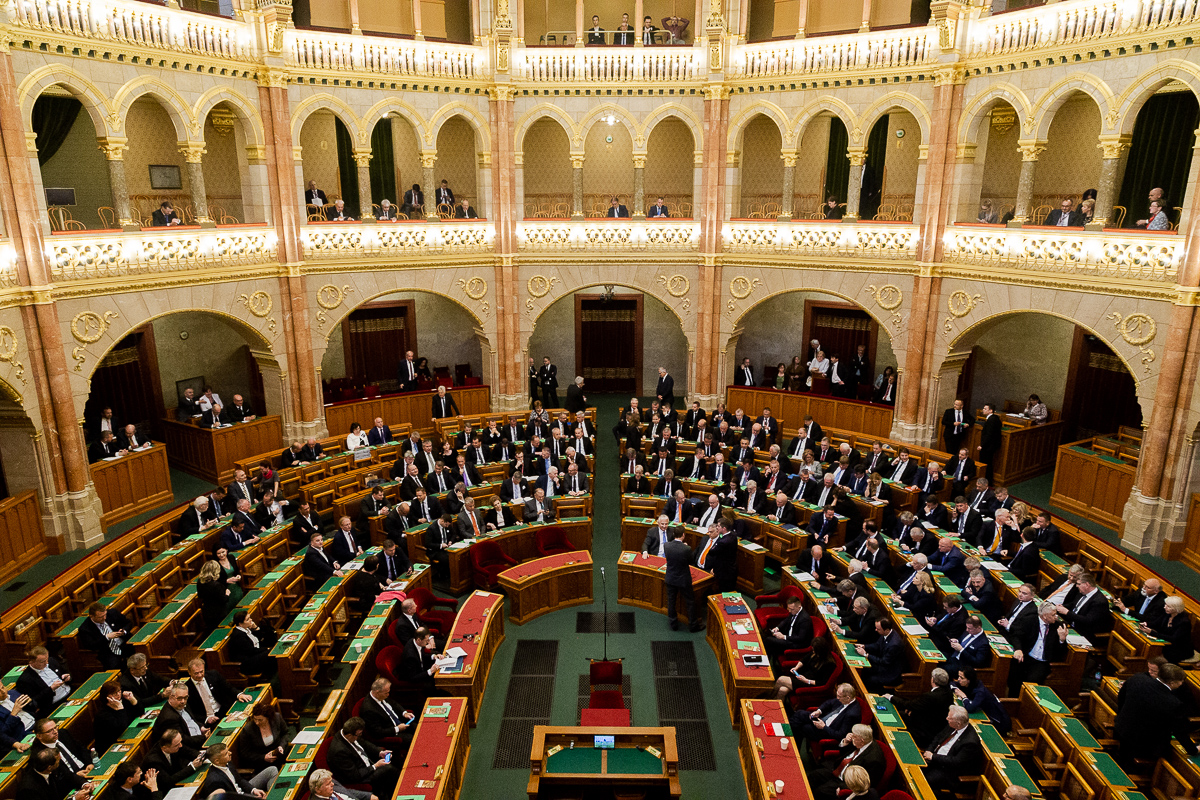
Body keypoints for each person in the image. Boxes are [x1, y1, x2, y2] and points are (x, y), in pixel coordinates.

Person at [1115, 663, 1200, 764]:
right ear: (1172, 683)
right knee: (1173, 756)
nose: (1181, 684)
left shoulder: (1137, 679)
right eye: (1181, 681)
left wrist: (1121, 717)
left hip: (1121, 729)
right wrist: (1193, 750)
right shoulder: (1173, 703)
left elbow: (1121, 698)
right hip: (1145, 746)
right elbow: (1179, 731)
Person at [809, 724, 885, 800]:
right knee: (813, 776)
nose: (851, 737)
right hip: (837, 769)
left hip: (845, 783)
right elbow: (843, 754)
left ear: (862, 740)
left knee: (820, 791)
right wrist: (845, 742)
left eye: (854, 736)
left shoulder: (874, 760)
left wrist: (843, 789)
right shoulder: (861, 741)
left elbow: (864, 784)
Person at [922, 706, 985, 799]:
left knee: (924, 779)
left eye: (949, 718)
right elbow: (938, 738)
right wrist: (929, 750)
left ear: (958, 723)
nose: (947, 719)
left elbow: (956, 762)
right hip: (937, 760)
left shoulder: (970, 742)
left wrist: (933, 757)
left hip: (950, 772)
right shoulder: (952, 725)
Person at [886, 669, 953, 748]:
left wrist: (891, 697)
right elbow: (929, 709)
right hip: (934, 727)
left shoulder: (930, 696)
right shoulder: (949, 693)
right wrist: (913, 709)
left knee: (895, 716)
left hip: (923, 732)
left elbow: (908, 704)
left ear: (932, 680)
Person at [201, 741, 277, 798]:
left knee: (272, 770)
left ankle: (274, 796)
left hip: (243, 790)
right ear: (217, 761)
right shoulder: (214, 781)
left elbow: (239, 780)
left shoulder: (228, 762)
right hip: (239, 797)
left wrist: (253, 790)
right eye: (226, 753)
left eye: (228, 751)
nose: (230, 753)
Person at [664, 525, 703, 632]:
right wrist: (686, 547)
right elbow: (691, 562)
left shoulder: (666, 545)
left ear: (673, 534)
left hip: (671, 577)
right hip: (683, 579)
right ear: (683, 535)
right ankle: (693, 625)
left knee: (671, 601)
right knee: (690, 602)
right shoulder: (686, 548)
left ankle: (673, 624)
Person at [794, 683, 861, 746]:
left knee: (803, 727)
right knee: (800, 713)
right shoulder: (844, 699)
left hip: (826, 732)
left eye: (839, 696)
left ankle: (792, 743)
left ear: (848, 698)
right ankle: (787, 733)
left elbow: (840, 735)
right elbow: (829, 703)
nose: (837, 698)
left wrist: (823, 727)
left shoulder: (852, 714)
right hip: (822, 720)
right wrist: (819, 711)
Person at [954, 666, 1010, 734]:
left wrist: (963, 696)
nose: (958, 679)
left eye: (962, 678)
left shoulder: (980, 692)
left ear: (969, 680)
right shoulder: (969, 684)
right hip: (986, 715)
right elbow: (952, 683)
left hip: (999, 722)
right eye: (958, 676)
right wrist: (955, 689)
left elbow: (970, 708)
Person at [16, 647, 71, 715]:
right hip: (55, 705)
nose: (47, 663)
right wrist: (51, 689)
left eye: (47, 659)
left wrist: (67, 677)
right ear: (31, 662)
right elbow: (33, 701)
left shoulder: (51, 661)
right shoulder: (25, 680)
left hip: (70, 693)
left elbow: (66, 673)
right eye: (42, 661)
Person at [239, 701, 289, 776]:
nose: (257, 723)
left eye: (260, 720)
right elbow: (245, 753)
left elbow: (285, 733)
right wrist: (263, 757)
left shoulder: (277, 718)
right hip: (261, 763)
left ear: (268, 718)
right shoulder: (248, 730)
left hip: (279, 756)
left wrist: (281, 746)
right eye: (255, 719)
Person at [79, 602, 133, 669]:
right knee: (114, 666)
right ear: (91, 616)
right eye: (101, 617)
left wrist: (124, 631)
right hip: (108, 652)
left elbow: (128, 623)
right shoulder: (85, 628)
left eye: (105, 615)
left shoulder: (112, 613)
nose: (104, 618)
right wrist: (107, 637)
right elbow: (91, 645)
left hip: (124, 643)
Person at [1142, 595, 1194, 663]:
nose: (1164, 607)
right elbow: (1156, 623)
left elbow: (1173, 639)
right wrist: (1146, 624)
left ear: (1176, 608)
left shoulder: (1184, 622)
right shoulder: (1167, 614)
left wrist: (1152, 633)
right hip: (1166, 644)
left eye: (1168, 606)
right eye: (1165, 605)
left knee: (1156, 654)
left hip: (1180, 649)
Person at [762, 596, 813, 664]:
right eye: (788, 608)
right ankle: (768, 659)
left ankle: (765, 661)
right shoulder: (794, 611)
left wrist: (783, 637)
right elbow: (786, 621)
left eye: (791, 609)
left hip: (796, 643)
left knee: (768, 640)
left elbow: (800, 638)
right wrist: (777, 628)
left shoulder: (805, 619)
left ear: (799, 607)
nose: (789, 611)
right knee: (767, 634)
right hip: (789, 636)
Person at [228, 610, 276, 676]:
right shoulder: (238, 635)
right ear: (240, 624)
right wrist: (266, 649)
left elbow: (258, 639)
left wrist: (256, 628)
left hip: (256, 654)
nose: (251, 620)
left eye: (250, 617)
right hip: (249, 662)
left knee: (271, 639)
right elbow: (251, 651)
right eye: (248, 619)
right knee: (271, 652)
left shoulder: (246, 629)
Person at [196, 561, 231, 633]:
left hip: (207, 611)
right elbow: (223, 600)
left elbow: (200, 595)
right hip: (219, 613)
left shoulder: (200, 581)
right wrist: (227, 593)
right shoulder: (216, 585)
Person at [977, 403, 1001, 480]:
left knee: (985, 464)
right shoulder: (995, 418)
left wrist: (982, 445)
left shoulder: (991, 420)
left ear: (991, 410)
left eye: (985, 409)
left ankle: (986, 480)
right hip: (992, 445)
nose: (983, 410)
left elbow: (989, 434)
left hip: (988, 446)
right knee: (988, 463)